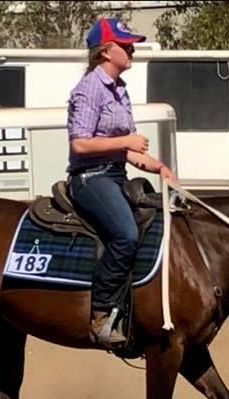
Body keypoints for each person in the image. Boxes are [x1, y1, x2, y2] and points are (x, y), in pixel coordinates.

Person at [65, 17, 181, 349]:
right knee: (126, 234)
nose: (131, 49)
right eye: (125, 44)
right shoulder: (89, 89)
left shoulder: (120, 90)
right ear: (105, 51)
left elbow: (128, 151)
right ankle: (101, 315)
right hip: (90, 178)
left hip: (115, 175)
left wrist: (159, 167)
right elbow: (80, 144)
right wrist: (126, 141)